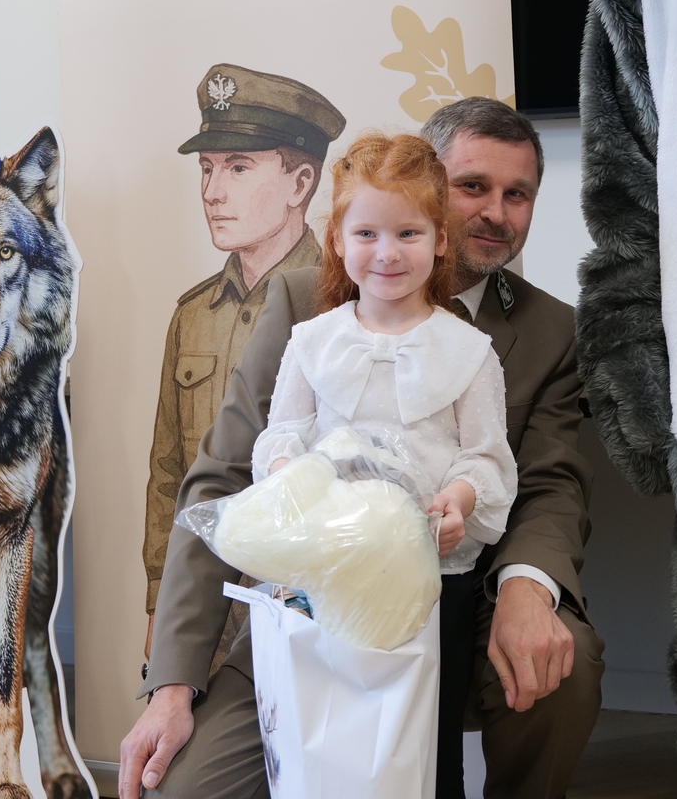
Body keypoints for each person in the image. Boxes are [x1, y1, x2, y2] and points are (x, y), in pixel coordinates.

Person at [124, 97, 602, 799]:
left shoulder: (549, 330)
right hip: (311, 605)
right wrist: (171, 685)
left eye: (518, 194)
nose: (496, 213)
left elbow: (550, 482)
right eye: (473, 186)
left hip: (459, 600)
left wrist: (527, 587)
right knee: (189, 789)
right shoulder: (301, 308)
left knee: (564, 664)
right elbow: (220, 479)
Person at [253, 132, 519, 790]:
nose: (387, 252)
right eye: (367, 233)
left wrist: (458, 502)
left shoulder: (470, 353)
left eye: (408, 233)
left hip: (434, 582)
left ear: (440, 240)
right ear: (338, 240)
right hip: (330, 575)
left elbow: (485, 458)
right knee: (332, 736)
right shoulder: (313, 343)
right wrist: (292, 478)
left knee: (426, 741)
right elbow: (282, 437)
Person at [142, 64, 347, 636]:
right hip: (204, 603)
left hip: (309, 603)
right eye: (207, 169)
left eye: (237, 167)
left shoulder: (344, 306)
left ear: (300, 185)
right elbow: (168, 473)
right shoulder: (194, 315)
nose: (212, 192)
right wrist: (160, 602)